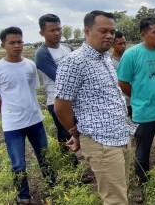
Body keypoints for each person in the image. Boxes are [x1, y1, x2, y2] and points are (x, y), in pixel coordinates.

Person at [54, 10, 136, 205]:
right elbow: (61, 106)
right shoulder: (74, 62)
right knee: (115, 199)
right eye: (103, 31)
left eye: (112, 31)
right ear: (87, 31)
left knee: (121, 191)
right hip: (101, 142)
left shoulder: (105, 58)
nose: (109, 35)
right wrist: (75, 132)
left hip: (120, 136)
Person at [117, 17, 155, 192]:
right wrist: (139, 97)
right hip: (144, 114)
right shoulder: (131, 55)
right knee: (142, 152)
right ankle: (143, 185)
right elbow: (123, 83)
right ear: (143, 34)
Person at [0, 27, 55, 204]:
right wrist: (7, 112)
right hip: (12, 125)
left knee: (44, 156)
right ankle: (23, 196)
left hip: (35, 120)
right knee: (18, 164)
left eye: (19, 41)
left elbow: (32, 90)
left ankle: (53, 186)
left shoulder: (30, 65)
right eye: (12, 42)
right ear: (3, 45)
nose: (17, 45)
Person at [35, 14, 77, 159]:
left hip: (75, 99)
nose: (57, 33)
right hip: (57, 101)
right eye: (52, 30)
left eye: (58, 29)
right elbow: (59, 78)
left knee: (79, 133)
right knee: (65, 135)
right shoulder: (42, 54)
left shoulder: (67, 48)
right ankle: (69, 169)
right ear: (42, 33)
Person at [110, 31, 132, 118]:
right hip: (120, 102)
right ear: (112, 45)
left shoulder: (132, 57)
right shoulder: (109, 61)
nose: (123, 46)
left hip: (135, 100)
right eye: (120, 44)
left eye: (124, 43)